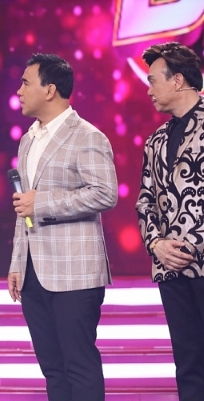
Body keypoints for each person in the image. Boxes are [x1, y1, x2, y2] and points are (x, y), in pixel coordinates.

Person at [7, 53, 118, 401]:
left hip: (74, 272)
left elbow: (105, 193)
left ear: (50, 89)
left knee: (79, 365)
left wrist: (43, 203)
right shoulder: (28, 139)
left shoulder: (87, 136)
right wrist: (17, 263)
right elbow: (23, 206)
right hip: (33, 273)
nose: (19, 91)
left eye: (26, 83)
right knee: (52, 369)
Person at [136, 42, 204, 401]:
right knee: (188, 362)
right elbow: (144, 201)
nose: (148, 90)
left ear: (177, 80)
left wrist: (194, 244)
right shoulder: (155, 140)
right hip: (171, 270)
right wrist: (156, 244)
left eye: (153, 81)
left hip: (200, 261)